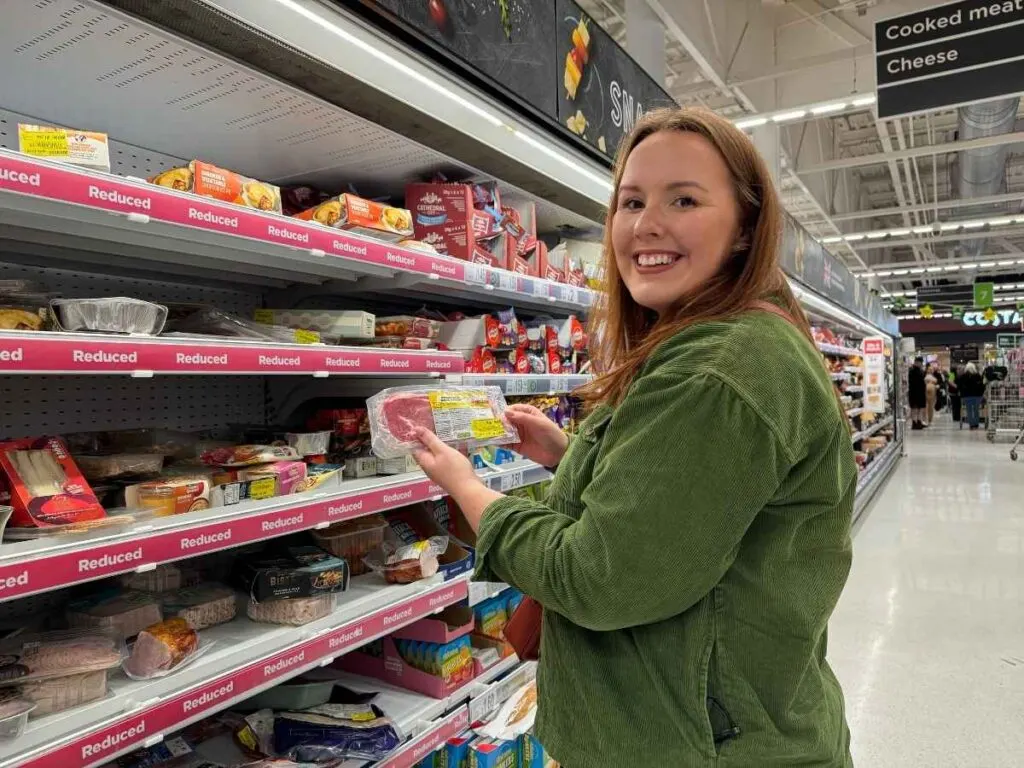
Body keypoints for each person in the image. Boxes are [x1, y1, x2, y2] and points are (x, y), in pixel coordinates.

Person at [411, 107, 855, 766]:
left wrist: (470, 492)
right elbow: (693, 504)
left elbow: (596, 579)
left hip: (697, 746)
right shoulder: (720, 342)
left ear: (744, 227)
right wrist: (572, 456)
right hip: (698, 725)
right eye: (632, 201)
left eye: (684, 199)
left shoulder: (719, 367)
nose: (647, 224)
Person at [959, 362, 985, 430]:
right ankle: (976, 424)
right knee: (976, 410)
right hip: (977, 396)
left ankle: (971, 424)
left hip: (967, 396)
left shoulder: (963, 376)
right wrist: (981, 394)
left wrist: (962, 394)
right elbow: (982, 386)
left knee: (969, 410)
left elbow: (960, 386)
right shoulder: (978, 376)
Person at [908, 356, 927, 429]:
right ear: (917, 362)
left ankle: (919, 421)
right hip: (914, 393)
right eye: (920, 362)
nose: (921, 364)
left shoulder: (920, 371)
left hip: (920, 392)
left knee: (920, 408)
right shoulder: (912, 371)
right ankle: (914, 423)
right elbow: (913, 382)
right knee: (915, 408)